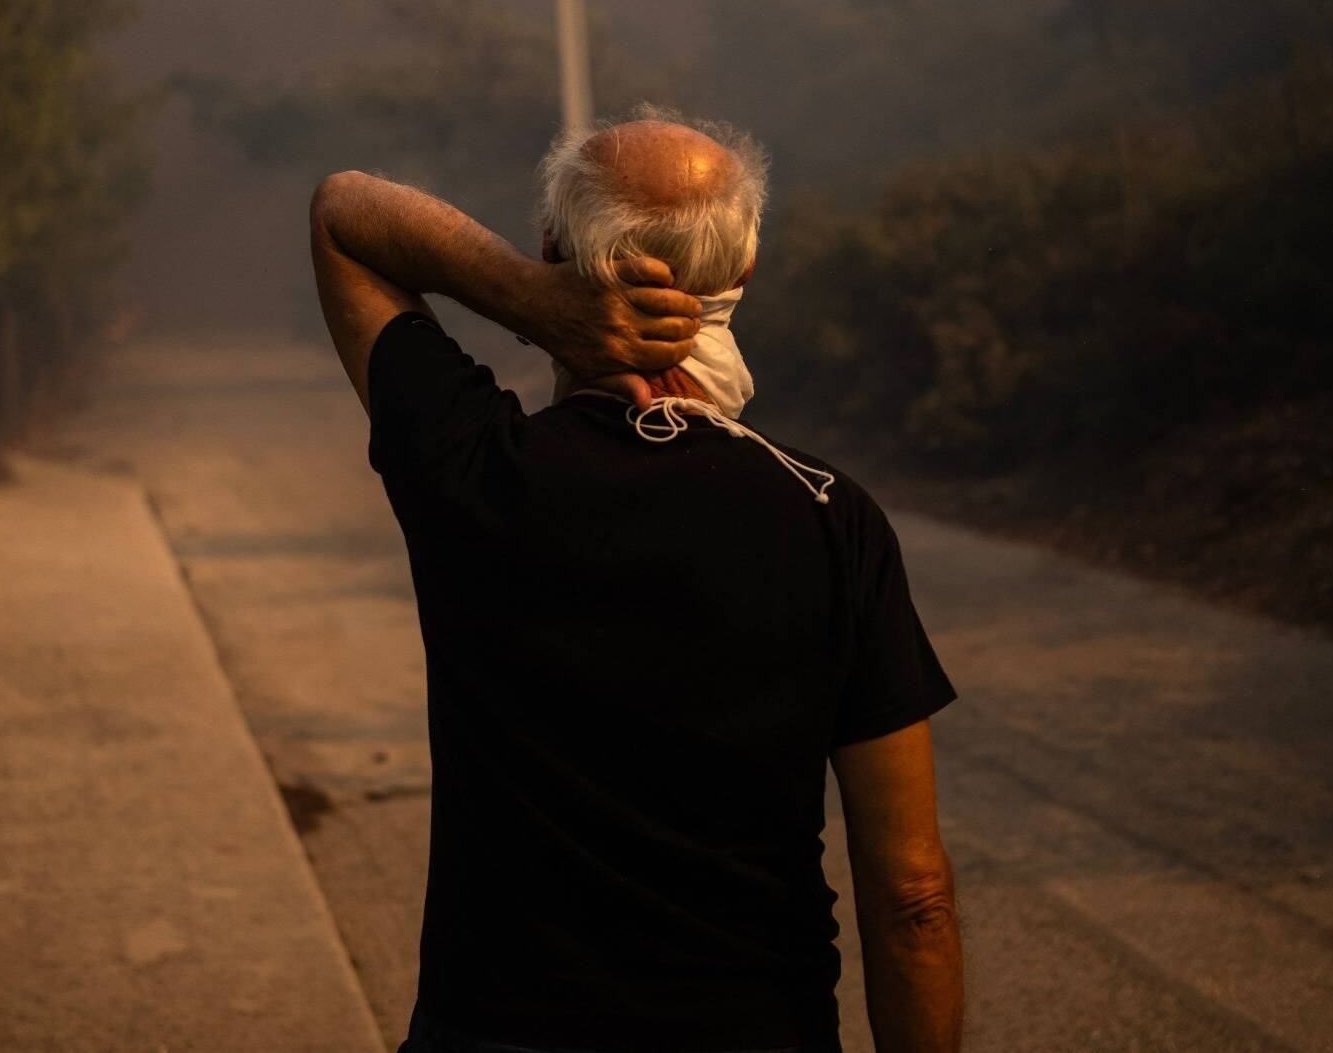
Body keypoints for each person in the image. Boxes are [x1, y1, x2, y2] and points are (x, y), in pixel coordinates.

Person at [307, 105, 963, 1053]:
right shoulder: (831, 519)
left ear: (550, 250)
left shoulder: (476, 469)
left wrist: (529, 300)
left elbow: (344, 214)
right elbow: (914, 899)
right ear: (744, 273)